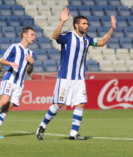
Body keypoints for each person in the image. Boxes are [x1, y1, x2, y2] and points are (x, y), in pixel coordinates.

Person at [36, 8, 116, 140]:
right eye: (84, 24)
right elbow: (55, 37)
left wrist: (112, 29)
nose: (86, 26)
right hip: (65, 77)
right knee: (59, 104)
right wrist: (62, 22)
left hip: (79, 78)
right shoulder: (68, 36)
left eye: (87, 24)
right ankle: (42, 125)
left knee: (81, 103)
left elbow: (101, 42)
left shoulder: (86, 39)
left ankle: (73, 133)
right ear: (76, 25)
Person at [0, 26, 35, 138]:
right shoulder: (14, 47)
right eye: (32, 35)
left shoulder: (30, 53)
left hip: (20, 84)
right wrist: (11, 64)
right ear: (24, 35)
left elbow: (29, 72)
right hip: (10, 79)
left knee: (7, 107)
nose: (34, 37)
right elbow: (1, 60)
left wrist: (31, 63)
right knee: (4, 101)